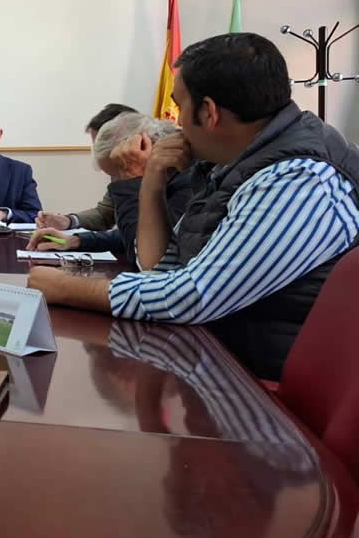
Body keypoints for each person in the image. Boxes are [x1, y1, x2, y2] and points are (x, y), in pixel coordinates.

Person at [27, 32, 359, 380]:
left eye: (179, 106)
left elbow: (193, 296)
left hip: (267, 390)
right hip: (218, 364)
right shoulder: (228, 166)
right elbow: (160, 267)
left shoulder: (299, 179)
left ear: (208, 112)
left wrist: (67, 287)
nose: (176, 122)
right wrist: (151, 182)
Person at [28, 112, 192, 266]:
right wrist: (75, 241)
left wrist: (132, 181)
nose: (118, 182)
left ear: (142, 147)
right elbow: (135, 236)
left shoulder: (188, 180)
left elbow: (144, 258)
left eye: (120, 175)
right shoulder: (167, 173)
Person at [35, 103, 139, 231]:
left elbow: (133, 233)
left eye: (102, 147)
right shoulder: (119, 173)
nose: (98, 155)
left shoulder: (159, 172)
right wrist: (69, 221)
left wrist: (78, 240)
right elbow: (105, 213)